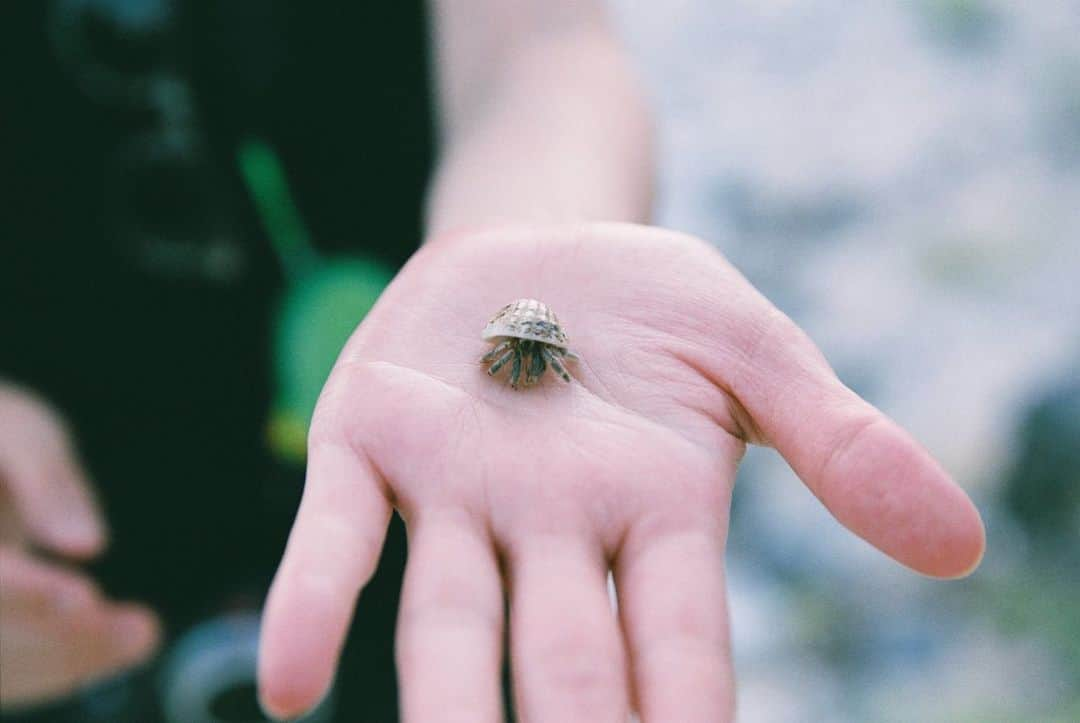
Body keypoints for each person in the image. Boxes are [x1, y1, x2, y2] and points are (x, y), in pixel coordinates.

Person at [1, 1, 985, 721]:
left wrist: (531, 232)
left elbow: (540, 43)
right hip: (70, 561)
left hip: (450, 495)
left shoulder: (519, 343)